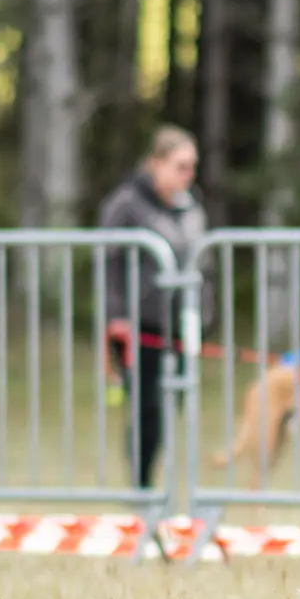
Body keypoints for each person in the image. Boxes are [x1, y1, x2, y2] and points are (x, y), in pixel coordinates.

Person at [100, 126, 211, 492]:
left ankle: (157, 488)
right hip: (138, 328)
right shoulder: (126, 204)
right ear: (155, 164)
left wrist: (204, 314)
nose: (188, 175)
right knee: (146, 410)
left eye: (191, 167)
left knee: (169, 410)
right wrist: (115, 318)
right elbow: (109, 262)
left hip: (179, 326)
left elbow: (202, 262)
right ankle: (141, 486)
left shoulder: (192, 206)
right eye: (180, 166)